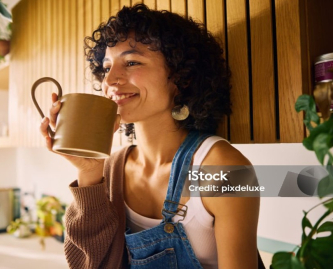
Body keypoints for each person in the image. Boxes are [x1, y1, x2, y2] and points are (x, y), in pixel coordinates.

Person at [39, 4, 263, 269]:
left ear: (182, 78)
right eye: (106, 67)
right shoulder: (112, 169)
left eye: (132, 62)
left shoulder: (227, 169)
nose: (110, 80)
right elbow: (88, 265)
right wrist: (89, 171)